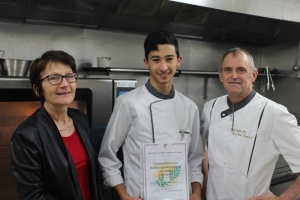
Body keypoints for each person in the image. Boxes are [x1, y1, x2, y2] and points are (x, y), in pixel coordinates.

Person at [98, 30, 204, 200]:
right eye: (156, 60)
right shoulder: (128, 103)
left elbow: (195, 158)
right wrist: (124, 196)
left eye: (169, 59)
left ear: (179, 60)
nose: (163, 67)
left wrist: (197, 192)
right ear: (146, 62)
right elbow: (107, 156)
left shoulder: (189, 107)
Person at [200, 47, 300, 200]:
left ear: (253, 75)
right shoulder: (210, 108)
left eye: (241, 70)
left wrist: (282, 199)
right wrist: (205, 178)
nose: (234, 76)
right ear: (220, 75)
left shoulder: (275, 114)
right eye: (228, 70)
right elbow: (203, 148)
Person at [10, 50, 101, 200]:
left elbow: (91, 177)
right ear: (37, 89)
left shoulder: (80, 118)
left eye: (69, 76)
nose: (65, 84)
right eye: (54, 78)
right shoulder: (26, 136)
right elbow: (33, 196)